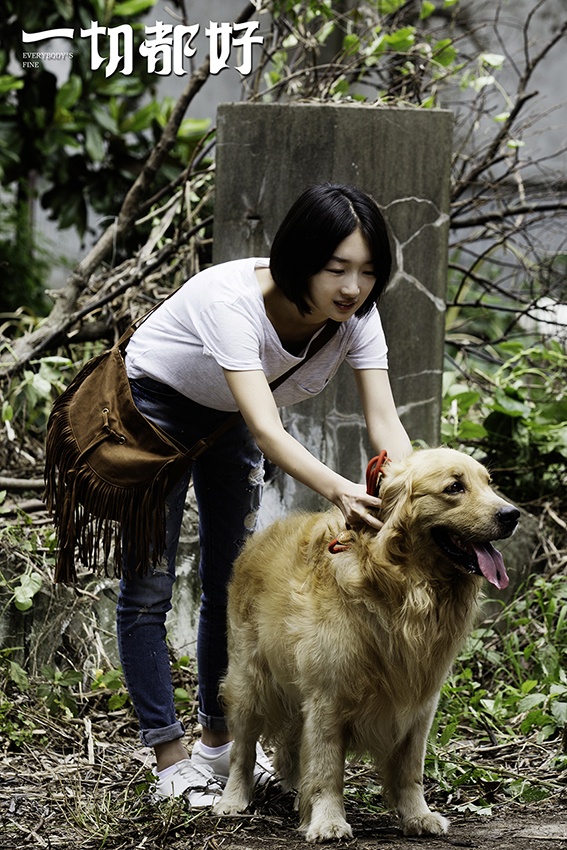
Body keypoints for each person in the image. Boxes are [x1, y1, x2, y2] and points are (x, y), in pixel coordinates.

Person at [117, 182, 413, 806]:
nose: (352, 287)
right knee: (148, 582)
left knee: (232, 578)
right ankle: (168, 756)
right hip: (157, 407)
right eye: (336, 268)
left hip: (228, 418)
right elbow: (265, 428)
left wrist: (413, 490)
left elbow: (384, 423)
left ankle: (218, 746)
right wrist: (339, 491)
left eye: (367, 271)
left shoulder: (357, 318)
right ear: (299, 257)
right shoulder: (232, 302)